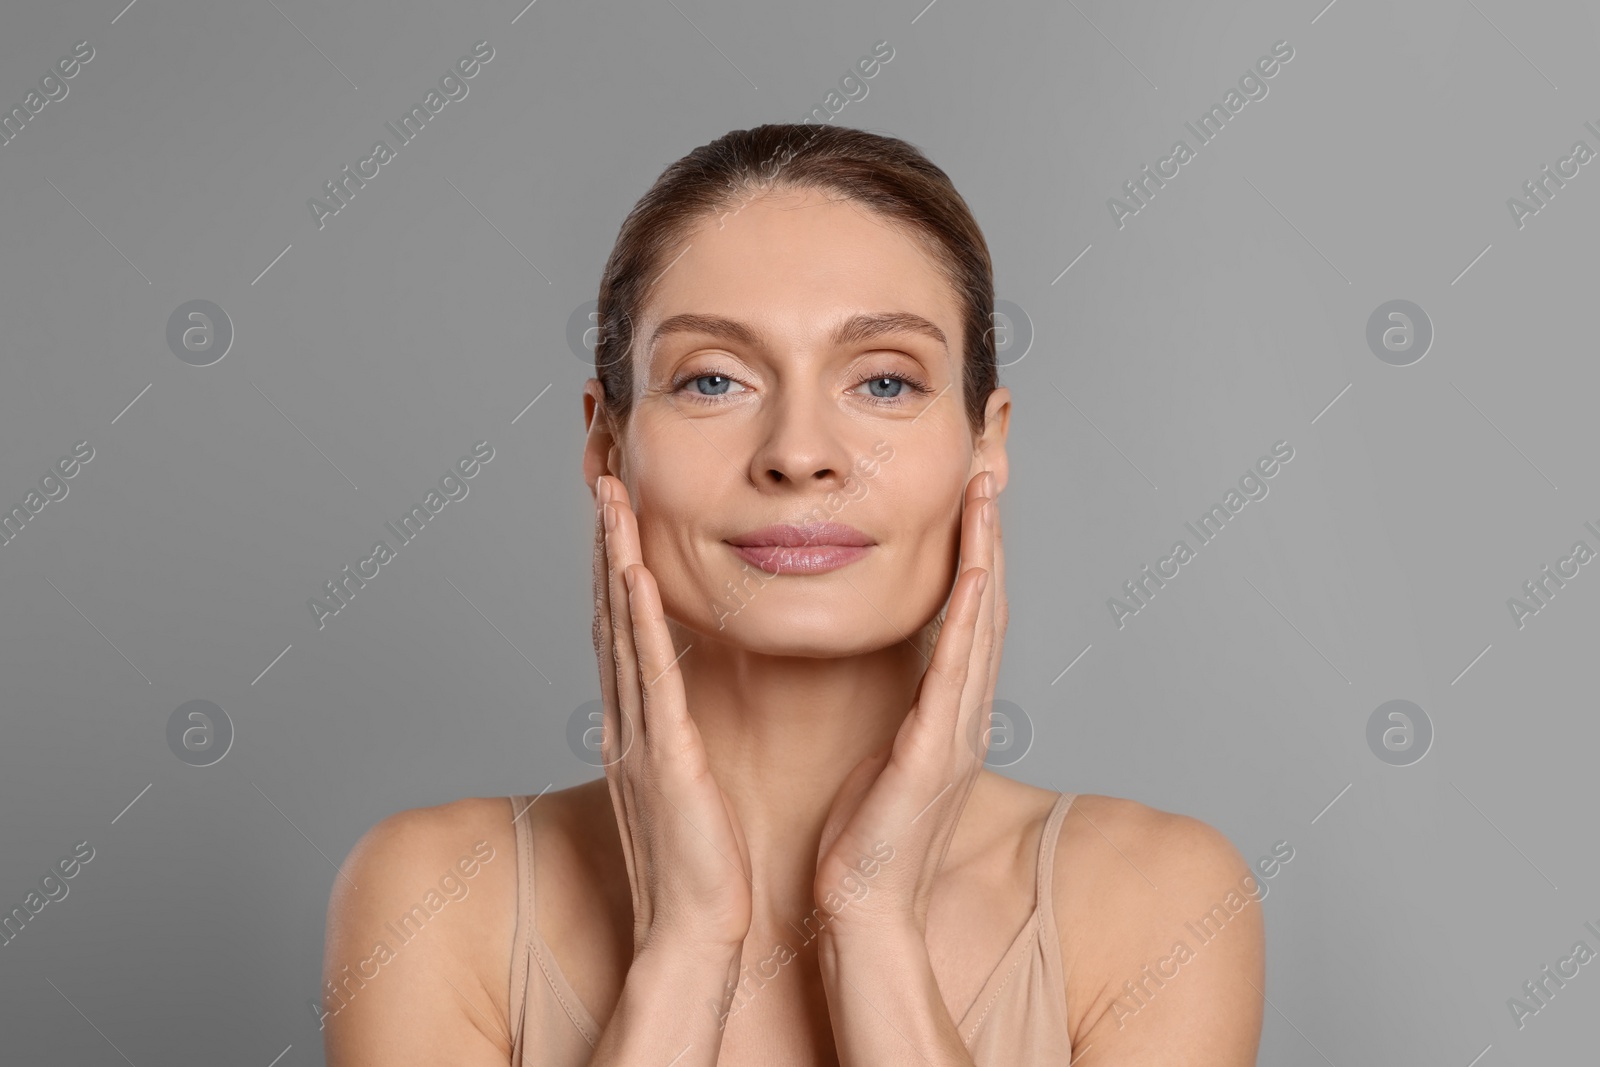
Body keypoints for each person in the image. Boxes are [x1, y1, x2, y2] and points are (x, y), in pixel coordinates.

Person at [322, 123, 1265, 1066]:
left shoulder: (1158, 899)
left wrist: (874, 921)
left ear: (987, 442)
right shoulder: (432, 896)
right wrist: (685, 946)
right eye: (715, 379)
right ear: (607, 444)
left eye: (885, 381)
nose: (799, 453)